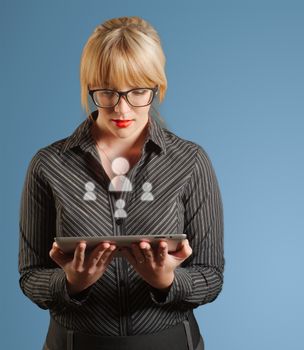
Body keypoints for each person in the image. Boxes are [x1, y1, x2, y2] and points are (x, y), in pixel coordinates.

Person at [18, 16, 224, 350]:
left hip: (171, 342)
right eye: (107, 92)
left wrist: (167, 281)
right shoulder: (47, 166)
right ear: (89, 87)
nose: (122, 107)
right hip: (74, 342)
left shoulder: (190, 162)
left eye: (139, 91)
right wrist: (71, 283)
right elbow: (30, 277)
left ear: (157, 87)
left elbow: (211, 277)